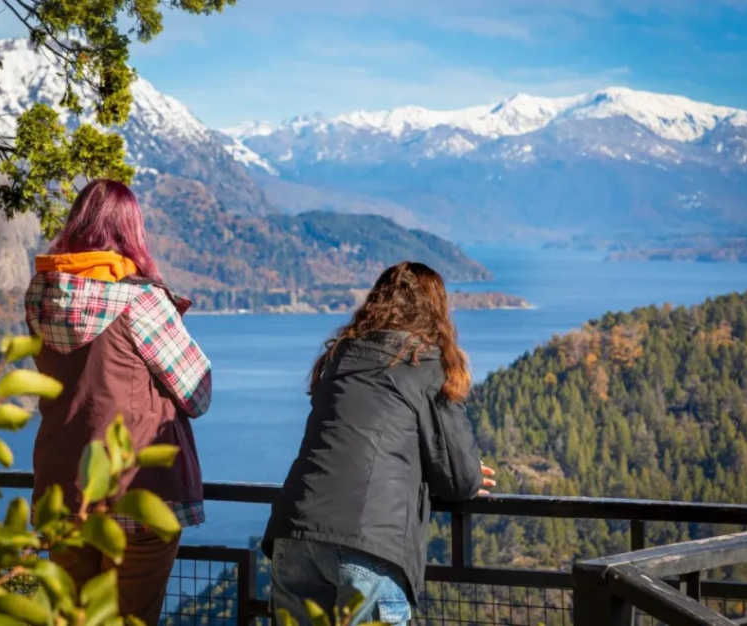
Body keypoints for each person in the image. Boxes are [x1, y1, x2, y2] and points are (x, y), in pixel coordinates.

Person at [262, 261, 495, 626]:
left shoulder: (340, 357)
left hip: (293, 531)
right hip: (367, 543)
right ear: (437, 309)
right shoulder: (427, 364)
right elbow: (460, 480)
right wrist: (466, 475)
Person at [25, 179, 212, 625]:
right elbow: (198, 393)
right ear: (130, 232)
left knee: (71, 618)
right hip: (136, 493)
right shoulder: (141, 302)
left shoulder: (42, 297)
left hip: (63, 493)